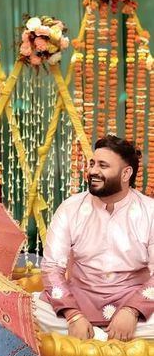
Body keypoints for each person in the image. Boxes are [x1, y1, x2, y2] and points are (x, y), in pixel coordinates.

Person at [35, 135, 154, 342]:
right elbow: (52, 268)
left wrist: (133, 310)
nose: (92, 171)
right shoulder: (71, 208)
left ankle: (93, 338)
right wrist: (73, 315)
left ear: (126, 173)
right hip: (80, 301)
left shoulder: (150, 212)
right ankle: (106, 337)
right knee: (27, 308)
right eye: (92, 164)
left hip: (133, 303)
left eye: (103, 165)